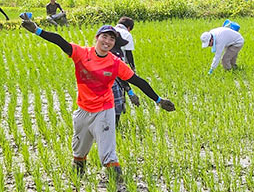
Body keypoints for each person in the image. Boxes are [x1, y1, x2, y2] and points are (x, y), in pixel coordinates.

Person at [19, 13, 175, 179]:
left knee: (108, 151)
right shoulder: (81, 53)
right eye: (104, 37)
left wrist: (158, 100)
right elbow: (59, 41)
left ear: (114, 43)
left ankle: (117, 183)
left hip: (104, 109)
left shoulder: (115, 63)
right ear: (97, 38)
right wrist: (37, 30)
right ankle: (78, 174)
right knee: (79, 150)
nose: (107, 42)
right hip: (83, 109)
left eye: (111, 39)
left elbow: (138, 81)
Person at [111, 17, 139, 126]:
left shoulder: (110, 31)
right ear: (129, 28)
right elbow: (129, 54)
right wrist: (133, 70)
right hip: (118, 69)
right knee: (118, 96)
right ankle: (115, 124)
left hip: (106, 71)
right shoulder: (127, 34)